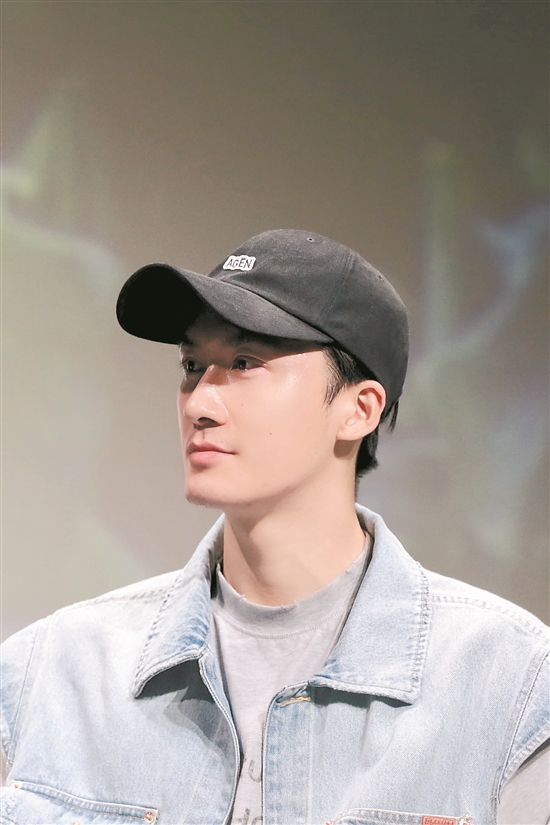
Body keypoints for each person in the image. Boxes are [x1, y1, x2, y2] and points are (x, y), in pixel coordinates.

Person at [1, 229, 548, 825]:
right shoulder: (47, 674)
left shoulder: (509, 684)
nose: (198, 404)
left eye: (244, 363)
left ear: (359, 409)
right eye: (192, 365)